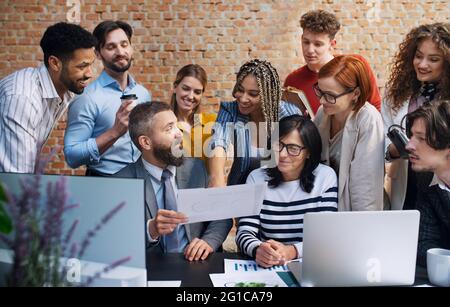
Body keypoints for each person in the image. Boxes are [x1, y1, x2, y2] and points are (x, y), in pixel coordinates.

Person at [114, 101, 232, 261]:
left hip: (196, 265)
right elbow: (117, 240)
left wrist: (208, 241)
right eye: (169, 128)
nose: (178, 133)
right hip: (151, 269)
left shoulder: (196, 167)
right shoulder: (122, 182)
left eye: (176, 125)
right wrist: (151, 230)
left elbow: (221, 216)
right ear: (146, 142)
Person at [236, 115, 338, 268]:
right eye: (279, 145)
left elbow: (326, 236)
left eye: (293, 148)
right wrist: (258, 249)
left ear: (308, 152)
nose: (283, 154)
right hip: (267, 267)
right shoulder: (256, 178)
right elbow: (244, 231)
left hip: (310, 266)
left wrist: (292, 251)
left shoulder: (325, 177)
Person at [0, 22, 96, 173]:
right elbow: (17, 175)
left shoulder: (64, 89)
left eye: (91, 65)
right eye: (82, 66)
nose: (90, 73)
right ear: (55, 63)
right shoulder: (23, 98)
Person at [64, 21, 151, 176]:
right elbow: (72, 156)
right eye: (111, 47)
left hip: (142, 181)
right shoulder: (86, 98)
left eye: (124, 45)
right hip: (104, 182)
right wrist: (115, 132)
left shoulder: (143, 93)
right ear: (98, 53)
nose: (120, 51)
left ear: (131, 48)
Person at [382, 22, 450, 210]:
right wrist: (394, 150)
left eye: (433, 59)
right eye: (418, 56)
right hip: (407, 184)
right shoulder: (395, 93)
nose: (422, 64)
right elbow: (381, 137)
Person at [209, 59, 301, 187]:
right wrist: (216, 178)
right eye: (240, 90)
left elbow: (300, 152)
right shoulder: (230, 110)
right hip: (241, 188)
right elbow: (218, 142)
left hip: (280, 189)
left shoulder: (289, 114)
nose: (243, 98)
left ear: (267, 95)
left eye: (252, 94)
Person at [313, 55, 384, 211]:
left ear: (355, 93)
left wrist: (360, 226)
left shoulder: (368, 119)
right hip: (326, 208)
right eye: (320, 91)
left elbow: (365, 186)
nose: (322, 101)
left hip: (355, 211)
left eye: (330, 96)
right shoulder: (323, 112)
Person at [284, 9, 381, 114]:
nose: (310, 50)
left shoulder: (356, 65)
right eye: (306, 42)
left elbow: (375, 108)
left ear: (332, 44)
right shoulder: (292, 81)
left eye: (318, 44)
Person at [402, 100, 450, 267]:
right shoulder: (425, 179)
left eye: (421, 139)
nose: (409, 145)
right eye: (411, 136)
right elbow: (424, 244)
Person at [170, 64, 216, 161]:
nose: (191, 96)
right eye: (186, 89)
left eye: (197, 92)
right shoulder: (164, 125)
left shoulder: (212, 123)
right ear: (175, 87)